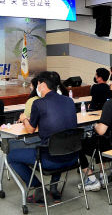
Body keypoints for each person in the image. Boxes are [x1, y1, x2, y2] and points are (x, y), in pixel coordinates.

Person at [9, 71, 78, 202]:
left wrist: (24, 119)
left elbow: (30, 129)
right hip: (73, 156)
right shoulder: (69, 101)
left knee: (11, 156)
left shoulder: (39, 103)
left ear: (43, 85)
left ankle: (39, 188)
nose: (37, 87)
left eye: (38, 84)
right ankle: (53, 187)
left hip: (50, 159)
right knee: (59, 143)